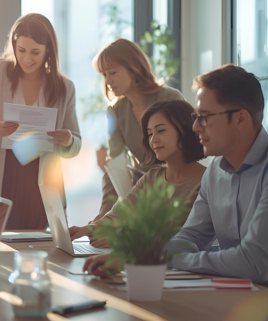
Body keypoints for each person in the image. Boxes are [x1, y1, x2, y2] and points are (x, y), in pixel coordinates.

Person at [84, 64, 268, 300]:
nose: (195, 127)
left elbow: (256, 263)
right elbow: (190, 237)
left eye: (204, 117)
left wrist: (165, 258)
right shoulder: (215, 171)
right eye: (196, 117)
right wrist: (134, 258)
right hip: (239, 298)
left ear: (240, 119)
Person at [0, 13, 81, 230]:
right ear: (14, 46)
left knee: (31, 251)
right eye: (21, 50)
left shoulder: (64, 88)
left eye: (35, 52)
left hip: (37, 182)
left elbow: (75, 145)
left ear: (48, 50)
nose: (27, 59)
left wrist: (68, 140)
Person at [70, 99, 206, 247]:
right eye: (150, 134)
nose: (154, 139)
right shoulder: (152, 177)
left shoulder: (206, 181)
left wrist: (127, 241)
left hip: (183, 265)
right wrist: (87, 229)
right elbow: (121, 212)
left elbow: (182, 235)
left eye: (161, 130)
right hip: (147, 262)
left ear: (185, 129)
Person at [92, 38, 185, 221]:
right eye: (104, 75)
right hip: (140, 197)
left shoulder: (170, 97)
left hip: (175, 192)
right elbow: (115, 165)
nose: (108, 80)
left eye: (112, 72)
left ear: (133, 68)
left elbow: (187, 153)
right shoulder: (116, 111)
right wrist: (104, 214)